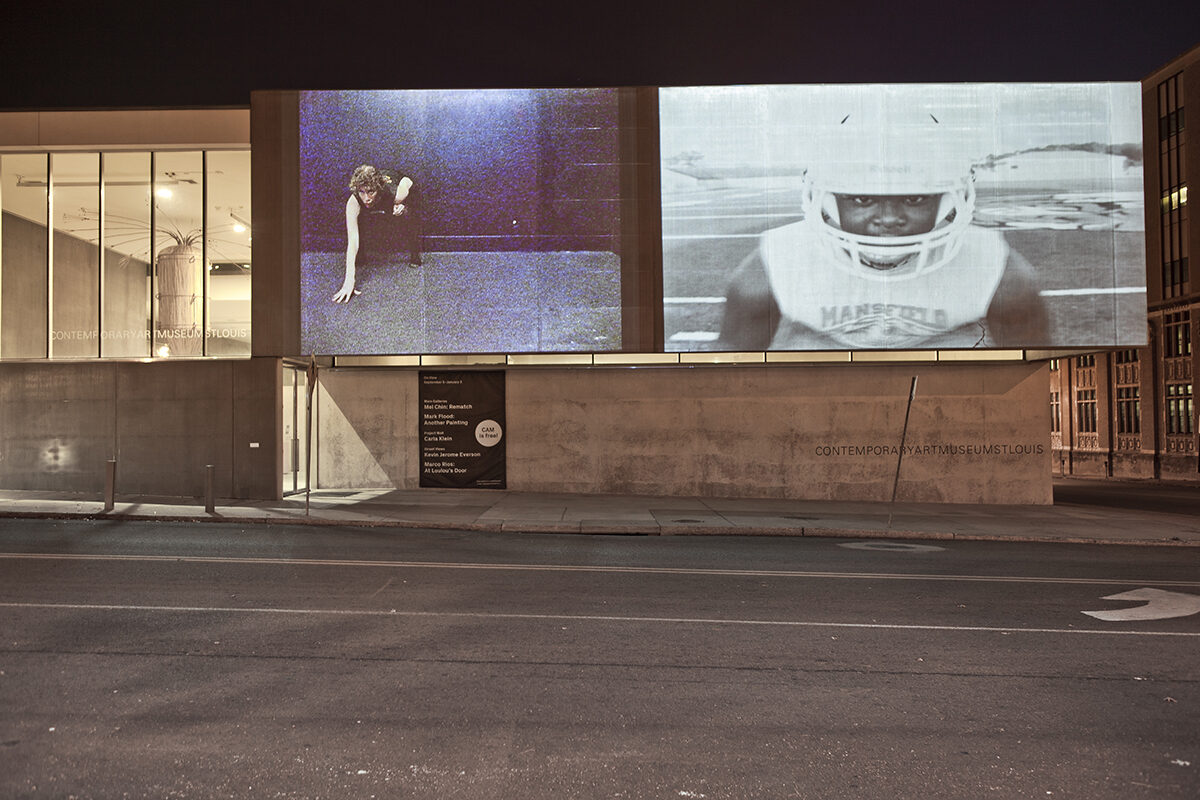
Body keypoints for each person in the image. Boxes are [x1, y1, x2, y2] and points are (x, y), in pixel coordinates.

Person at [718, 110, 1049, 350]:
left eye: (915, 198)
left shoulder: (1002, 276)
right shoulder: (771, 272)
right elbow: (727, 385)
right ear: (826, 201)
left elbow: (1033, 384)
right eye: (862, 198)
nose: (889, 219)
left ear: (950, 200)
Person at [332, 165, 423, 303]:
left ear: (378, 190)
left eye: (370, 192)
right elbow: (353, 240)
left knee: (406, 214)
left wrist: (402, 205)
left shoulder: (396, 194)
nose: (366, 198)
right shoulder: (354, 201)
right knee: (359, 222)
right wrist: (349, 281)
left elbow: (407, 181)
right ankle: (361, 258)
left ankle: (415, 256)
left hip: (397, 186)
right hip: (383, 192)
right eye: (361, 192)